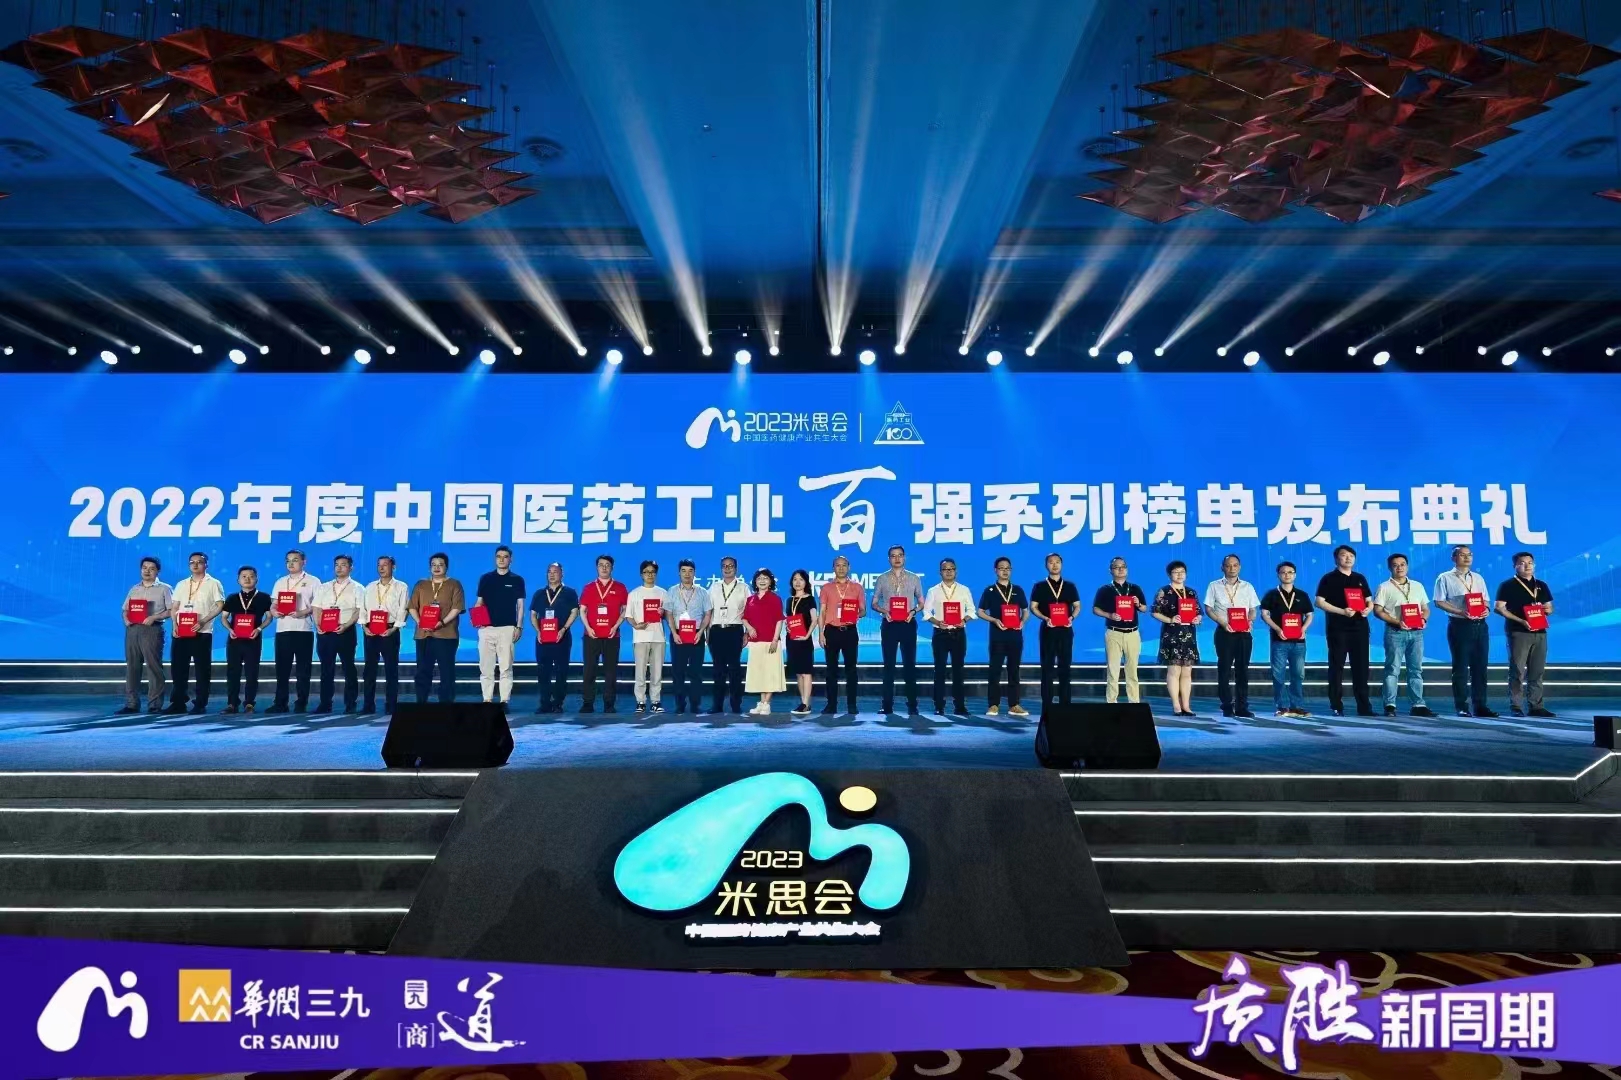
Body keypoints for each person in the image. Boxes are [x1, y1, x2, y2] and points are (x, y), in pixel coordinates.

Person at [1432, 545, 1497, 718]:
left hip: (1480, 626)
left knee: (1480, 668)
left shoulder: (1478, 577)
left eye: (1469, 554)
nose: (1467, 558)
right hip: (1459, 625)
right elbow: (1439, 601)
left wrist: (1486, 609)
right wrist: (1460, 611)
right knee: (1460, 668)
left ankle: (1480, 706)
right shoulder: (1444, 578)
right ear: (1453, 558)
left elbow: (1486, 600)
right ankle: (1462, 706)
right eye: (1462, 555)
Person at [1314, 545, 1376, 717]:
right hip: (1338, 628)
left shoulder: (1360, 578)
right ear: (1336, 559)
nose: (1348, 558)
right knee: (1337, 667)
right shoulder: (1328, 578)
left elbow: (1369, 600)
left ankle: (1364, 706)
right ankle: (1336, 705)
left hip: (1360, 628)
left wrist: (1368, 609)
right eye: (1344, 555)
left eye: (1351, 555)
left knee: (1361, 667)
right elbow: (1319, 602)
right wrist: (1342, 611)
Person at [1373, 553, 1436, 718]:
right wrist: (1396, 621)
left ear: (1407, 566)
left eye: (1402, 564)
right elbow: (1377, 611)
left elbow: (1425, 608)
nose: (1399, 568)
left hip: (1416, 633)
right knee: (1392, 669)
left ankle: (1418, 705)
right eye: (1395, 565)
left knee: (1416, 669)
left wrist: (1423, 619)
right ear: (1390, 568)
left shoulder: (1417, 586)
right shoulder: (1384, 587)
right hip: (1395, 632)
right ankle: (1390, 705)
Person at [1496, 551, 1556, 718]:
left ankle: (1536, 706)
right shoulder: (1507, 585)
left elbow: (1549, 607)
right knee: (1517, 670)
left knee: (1537, 671)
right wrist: (1521, 621)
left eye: (1530, 562)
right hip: (1518, 632)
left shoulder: (1541, 585)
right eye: (1522, 563)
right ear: (1515, 566)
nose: (1527, 566)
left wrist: (1547, 610)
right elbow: (1499, 608)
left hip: (1540, 631)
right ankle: (1516, 706)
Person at [164, 551, 223, 714]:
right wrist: (174, 625)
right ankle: (178, 702)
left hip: (202, 631)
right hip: (181, 631)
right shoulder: (182, 584)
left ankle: (200, 703)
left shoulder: (213, 583)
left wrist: (203, 621)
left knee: (202, 670)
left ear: (206, 565)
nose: (195, 565)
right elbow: (175, 607)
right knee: (178, 668)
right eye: (192, 562)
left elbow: (219, 605)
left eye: (199, 562)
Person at [1204, 554, 1260, 719]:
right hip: (1224, 632)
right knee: (1224, 669)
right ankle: (1226, 706)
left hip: (1244, 633)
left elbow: (1253, 609)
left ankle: (1242, 706)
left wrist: (1250, 621)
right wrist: (1222, 622)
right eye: (1228, 565)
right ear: (1222, 567)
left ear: (1239, 567)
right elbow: (1208, 608)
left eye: (1235, 565)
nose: (1232, 568)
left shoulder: (1247, 586)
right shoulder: (1214, 585)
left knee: (1243, 670)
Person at [266, 549, 319, 715]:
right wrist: (273, 611)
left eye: (295, 560)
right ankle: (280, 703)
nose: (291, 563)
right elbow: (274, 603)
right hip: (283, 629)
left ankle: (301, 702)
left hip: (303, 629)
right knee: (282, 669)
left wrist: (302, 612)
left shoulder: (313, 581)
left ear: (304, 562)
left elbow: (317, 605)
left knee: (303, 670)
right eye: (288, 560)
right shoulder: (281, 581)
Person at [873, 545, 924, 715]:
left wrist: (913, 611)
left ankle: (912, 705)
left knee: (909, 665)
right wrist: (884, 611)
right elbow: (874, 603)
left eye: (900, 555)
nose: (897, 559)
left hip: (908, 624)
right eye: (893, 556)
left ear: (904, 557)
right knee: (889, 666)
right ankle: (887, 705)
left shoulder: (914, 578)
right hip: (889, 625)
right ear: (889, 559)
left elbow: (921, 602)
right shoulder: (882, 578)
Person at [473, 546, 526, 706]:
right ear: (495, 559)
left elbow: (520, 606)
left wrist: (519, 627)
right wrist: (476, 619)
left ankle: (504, 701)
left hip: (507, 629)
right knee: (485, 667)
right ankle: (487, 699)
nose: (501, 559)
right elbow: (479, 602)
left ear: (511, 559)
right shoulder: (486, 578)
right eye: (499, 556)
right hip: (486, 629)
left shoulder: (517, 580)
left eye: (505, 556)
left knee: (506, 667)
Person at [1259, 561, 1313, 718]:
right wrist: (1277, 629)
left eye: (1290, 572)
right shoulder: (1271, 594)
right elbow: (1264, 614)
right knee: (1278, 674)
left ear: (1295, 575)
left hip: (1299, 642)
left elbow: (1310, 615)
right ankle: (1281, 706)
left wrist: (1303, 629)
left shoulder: (1302, 595)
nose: (1287, 575)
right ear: (1278, 575)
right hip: (1279, 640)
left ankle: (1297, 706)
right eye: (1283, 572)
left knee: (1298, 675)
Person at [409, 552, 465, 703]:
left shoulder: (454, 584)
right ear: (429, 567)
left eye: (440, 565)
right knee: (422, 671)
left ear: (446, 567)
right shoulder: (421, 584)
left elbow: (457, 608)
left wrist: (442, 622)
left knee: (447, 672)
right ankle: (421, 702)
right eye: (433, 565)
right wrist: (420, 622)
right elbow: (412, 606)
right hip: (423, 635)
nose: (436, 567)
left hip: (446, 635)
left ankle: (445, 704)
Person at [118, 556, 170, 715]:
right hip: (133, 630)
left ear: (158, 571)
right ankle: (132, 704)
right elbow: (125, 609)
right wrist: (126, 619)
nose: (147, 571)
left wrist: (154, 617)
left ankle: (155, 705)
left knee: (153, 667)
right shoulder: (134, 589)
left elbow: (171, 611)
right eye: (144, 568)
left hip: (152, 629)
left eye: (151, 568)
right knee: (132, 667)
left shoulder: (165, 588)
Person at [312, 554, 364, 714]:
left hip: (345, 632)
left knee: (348, 668)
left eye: (343, 565)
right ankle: (325, 703)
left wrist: (346, 625)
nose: (339, 568)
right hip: (325, 633)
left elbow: (359, 610)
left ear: (351, 567)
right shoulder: (324, 587)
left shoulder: (358, 588)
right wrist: (318, 625)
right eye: (336, 565)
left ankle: (351, 703)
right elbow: (316, 607)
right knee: (326, 669)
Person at [1091, 556, 1148, 705]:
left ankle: (1134, 702)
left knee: (1132, 671)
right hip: (1114, 633)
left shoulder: (1135, 588)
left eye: (1123, 566)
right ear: (1111, 570)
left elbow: (1144, 609)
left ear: (1127, 569)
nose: (1120, 569)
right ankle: (1111, 702)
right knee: (1113, 670)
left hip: (1132, 633)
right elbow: (1095, 609)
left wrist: (1138, 604)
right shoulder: (1105, 589)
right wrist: (1109, 615)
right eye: (1117, 567)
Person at [978, 556, 1028, 717]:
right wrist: (994, 620)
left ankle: (1014, 704)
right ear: (995, 570)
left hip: (1015, 636)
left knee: (1014, 670)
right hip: (997, 636)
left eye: (1008, 568)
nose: (1005, 571)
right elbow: (980, 612)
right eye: (1001, 568)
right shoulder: (990, 591)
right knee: (995, 670)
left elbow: (1025, 611)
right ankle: (993, 704)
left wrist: (1022, 622)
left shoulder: (1018, 590)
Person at [925, 557, 974, 716]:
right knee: (939, 670)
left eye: (951, 569)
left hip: (958, 634)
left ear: (956, 571)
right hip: (940, 634)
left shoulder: (964, 589)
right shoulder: (933, 590)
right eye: (945, 569)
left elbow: (971, 610)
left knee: (958, 671)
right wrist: (937, 622)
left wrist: (963, 620)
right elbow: (926, 613)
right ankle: (939, 706)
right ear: (940, 572)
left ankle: (960, 706)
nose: (949, 572)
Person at [1152, 560, 1202, 716]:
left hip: (1189, 635)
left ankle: (1186, 705)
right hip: (1171, 635)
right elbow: (1155, 611)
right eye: (1176, 572)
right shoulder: (1164, 591)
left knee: (1187, 672)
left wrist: (1197, 618)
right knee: (1174, 671)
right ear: (1169, 574)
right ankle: (1176, 705)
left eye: (1182, 572)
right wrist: (1170, 619)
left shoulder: (1191, 592)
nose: (1180, 575)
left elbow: (1199, 612)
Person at [579, 554, 628, 713]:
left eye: (607, 565)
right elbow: (582, 610)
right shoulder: (589, 587)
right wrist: (588, 628)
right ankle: (588, 703)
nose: (604, 567)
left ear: (612, 567)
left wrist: (615, 626)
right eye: (601, 565)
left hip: (612, 636)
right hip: (591, 635)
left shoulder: (620, 587)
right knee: (589, 670)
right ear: (597, 567)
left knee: (611, 671)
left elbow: (625, 610)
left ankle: (609, 704)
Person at [1031, 552, 1079, 710]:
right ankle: (1047, 706)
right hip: (1048, 630)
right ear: (1046, 565)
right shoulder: (1039, 586)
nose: (1055, 565)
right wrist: (1045, 618)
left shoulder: (1070, 586)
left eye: (1057, 562)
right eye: (1051, 562)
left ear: (1061, 564)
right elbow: (1033, 607)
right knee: (1047, 669)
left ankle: (1066, 706)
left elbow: (1077, 606)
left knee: (1065, 668)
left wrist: (1072, 617)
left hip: (1065, 630)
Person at [220, 565, 271, 714]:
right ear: (238, 580)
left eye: (251, 576)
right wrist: (230, 629)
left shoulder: (264, 597)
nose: (247, 579)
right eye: (244, 576)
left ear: (256, 579)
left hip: (253, 639)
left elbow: (269, 617)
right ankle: (232, 703)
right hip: (234, 640)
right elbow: (224, 617)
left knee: (252, 672)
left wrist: (259, 629)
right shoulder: (232, 598)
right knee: (233, 672)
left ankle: (249, 703)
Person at [818, 555, 865, 714]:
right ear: (833, 568)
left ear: (849, 567)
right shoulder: (826, 588)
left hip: (850, 632)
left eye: (844, 565)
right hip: (831, 631)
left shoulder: (857, 587)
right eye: (838, 565)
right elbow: (822, 612)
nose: (841, 568)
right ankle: (831, 705)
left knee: (851, 670)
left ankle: (852, 705)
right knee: (831, 670)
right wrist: (820, 633)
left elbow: (863, 611)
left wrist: (854, 614)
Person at [362, 555, 409, 715]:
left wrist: (394, 629)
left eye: (385, 565)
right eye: (379, 565)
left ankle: (391, 705)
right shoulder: (370, 587)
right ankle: (368, 705)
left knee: (391, 670)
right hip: (370, 631)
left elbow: (403, 609)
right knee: (369, 670)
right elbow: (363, 608)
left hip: (390, 631)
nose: (381, 568)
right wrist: (364, 626)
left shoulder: (401, 586)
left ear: (393, 567)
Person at [530, 562, 579, 713]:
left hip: (561, 637)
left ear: (562, 574)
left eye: (555, 571)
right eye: (549, 572)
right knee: (543, 671)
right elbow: (533, 614)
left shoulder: (569, 592)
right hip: (543, 638)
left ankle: (558, 703)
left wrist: (564, 629)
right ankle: (545, 703)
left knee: (561, 671)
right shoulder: (539, 593)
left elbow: (575, 612)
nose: (551, 574)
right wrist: (538, 631)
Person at [664, 559, 711, 715]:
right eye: (684, 570)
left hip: (696, 634)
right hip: (678, 634)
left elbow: (707, 614)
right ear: (679, 573)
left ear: (694, 573)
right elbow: (668, 614)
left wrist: (701, 632)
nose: (687, 574)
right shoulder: (671, 591)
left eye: (690, 571)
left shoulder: (702, 592)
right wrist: (674, 633)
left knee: (696, 672)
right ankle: (680, 705)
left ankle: (695, 705)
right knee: (678, 672)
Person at [707, 556, 748, 714]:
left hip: (735, 631)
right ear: (721, 568)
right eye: (724, 566)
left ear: (736, 568)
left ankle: (736, 705)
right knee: (718, 670)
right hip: (716, 631)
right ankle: (717, 705)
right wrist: (708, 632)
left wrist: (746, 633)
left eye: (730, 566)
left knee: (734, 669)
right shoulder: (714, 587)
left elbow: (748, 612)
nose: (727, 568)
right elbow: (709, 612)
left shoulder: (743, 588)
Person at [743, 568, 786, 715]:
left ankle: (767, 703)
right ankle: (761, 703)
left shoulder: (775, 599)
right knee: (760, 674)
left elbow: (779, 620)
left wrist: (775, 640)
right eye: (759, 578)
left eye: (765, 578)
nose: (762, 581)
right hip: (756, 642)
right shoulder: (750, 599)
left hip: (770, 641)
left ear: (770, 581)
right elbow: (745, 618)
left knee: (770, 674)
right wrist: (749, 628)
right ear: (755, 581)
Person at [627, 560, 667, 714]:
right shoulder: (634, 593)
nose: (649, 575)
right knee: (640, 672)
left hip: (658, 637)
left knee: (657, 672)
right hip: (640, 637)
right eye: (646, 572)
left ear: (656, 574)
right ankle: (640, 701)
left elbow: (668, 615)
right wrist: (636, 625)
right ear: (641, 574)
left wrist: (662, 613)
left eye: (652, 572)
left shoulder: (662, 593)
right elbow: (629, 615)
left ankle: (655, 701)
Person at [784, 569, 820, 716]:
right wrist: (787, 626)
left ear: (806, 582)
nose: (797, 582)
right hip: (792, 640)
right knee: (799, 673)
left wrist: (806, 635)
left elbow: (815, 620)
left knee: (806, 672)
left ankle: (806, 704)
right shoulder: (789, 600)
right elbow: (789, 618)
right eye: (795, 579)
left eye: (801, 579)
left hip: (804, 640)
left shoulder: (810, 599)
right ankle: (802, 702)